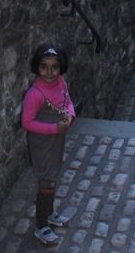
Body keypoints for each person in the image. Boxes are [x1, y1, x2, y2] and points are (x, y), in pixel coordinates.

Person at [21, 43, 76, 247]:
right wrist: (55, 128)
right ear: (37, 67)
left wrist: (71, 116)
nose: (50, 72)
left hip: (57, 139)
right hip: (42, 142)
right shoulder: (35, 94)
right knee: (46, 182)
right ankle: (41, 225)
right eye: (44, 67)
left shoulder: (61, 83)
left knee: (52, 176)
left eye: (54, 66)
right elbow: (26, 122)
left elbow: (68, 102)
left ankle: (50, 213)